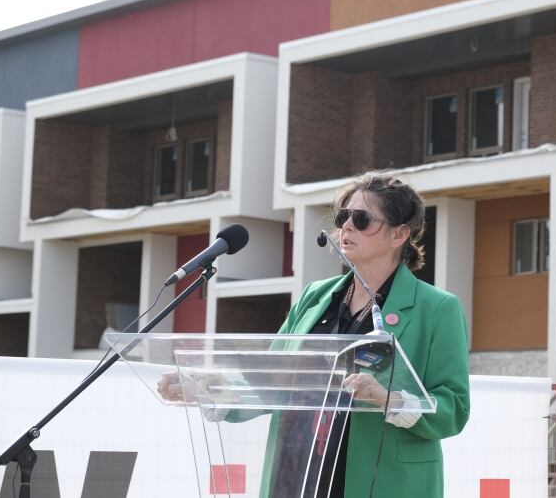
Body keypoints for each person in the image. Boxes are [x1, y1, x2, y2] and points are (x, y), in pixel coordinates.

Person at [160, 172, 470, 497]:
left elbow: (454, 409)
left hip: (387, 483)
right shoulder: (314, 297)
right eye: (343, 217)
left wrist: (387, 398)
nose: (346, 226)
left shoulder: (437, 309)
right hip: (300, 474)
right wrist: (204, 388)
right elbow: (268, 379)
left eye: (361, 219)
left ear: (399, 234)